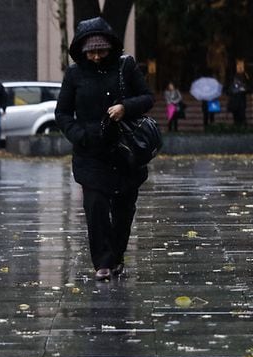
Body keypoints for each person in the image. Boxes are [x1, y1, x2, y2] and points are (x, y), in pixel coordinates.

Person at [55, 17, 154, 281]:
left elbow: (147, 98)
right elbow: (62, 113)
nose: (97, 57)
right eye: (91, 52)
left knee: (123, 211)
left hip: (125, 152)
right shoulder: (74, 74)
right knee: (96, 208)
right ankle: (103, 263)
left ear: (111, 47)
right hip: (91, 154)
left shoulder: (126, 66)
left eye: (101, 51)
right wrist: (80, 135)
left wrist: (126, 108)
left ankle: (117, 257)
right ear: (82, 51)